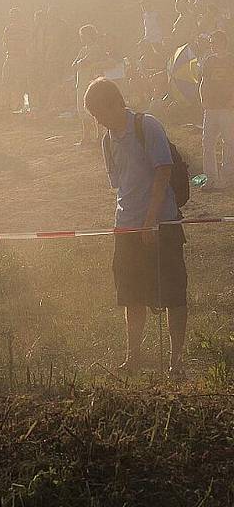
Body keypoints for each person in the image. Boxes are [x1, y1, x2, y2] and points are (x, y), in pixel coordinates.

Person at [86, 78, 188, 378]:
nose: (98, 120)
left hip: (162, 223)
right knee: (131, 295)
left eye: (99, 112)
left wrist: (151, 221)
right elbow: (119, 183)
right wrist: (131, 224)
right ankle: (133, 357)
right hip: (126, 226)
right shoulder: (107, 140)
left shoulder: (148, 126)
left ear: (115, 103)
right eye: (93, 116)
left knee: (173, 293)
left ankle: (176, 361)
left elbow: (163, 173)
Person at [199, 30, 234, 191]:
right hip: (211, 107)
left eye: (214, 42)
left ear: (222, 42)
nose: (212, 45)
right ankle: (211, 178)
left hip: (226, 107)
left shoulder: (230, 60)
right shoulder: (209, 61)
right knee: (207, 143)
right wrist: (203, 98)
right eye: (211, 42)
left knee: (229, 142)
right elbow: (204, 81)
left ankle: (227, 177)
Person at [73, 25, 110, 147]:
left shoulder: (96, 48)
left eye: (83, 35)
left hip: (91, 82)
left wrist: (81, 62)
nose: (82, 38)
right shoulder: (83, 49)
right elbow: (75, 64)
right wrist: (80, 62)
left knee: (94, 108)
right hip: (81, 82)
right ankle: (86, 136)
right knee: (81, 110)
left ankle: (99, 135)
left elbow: (86, 62)